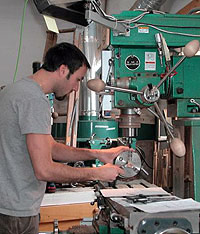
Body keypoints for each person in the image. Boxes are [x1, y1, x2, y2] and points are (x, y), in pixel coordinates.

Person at [0, 42, 130, 234]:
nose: (76, 88)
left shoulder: (14, 91)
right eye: (77, 79)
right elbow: (44, 170)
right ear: (63, 70)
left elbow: (50, 147)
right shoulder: (34, 100)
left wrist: (99, 154)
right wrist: (97, 173)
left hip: (10, 208)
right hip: (16, 216)